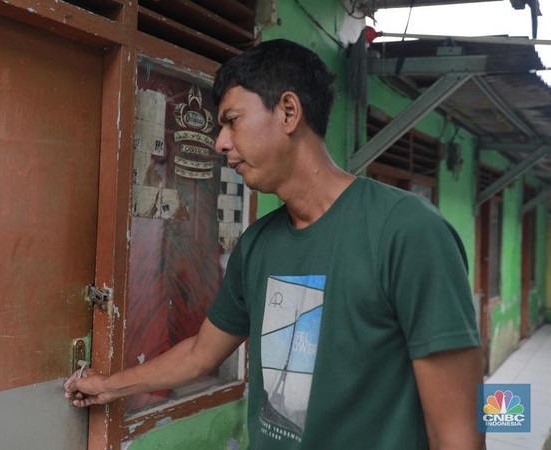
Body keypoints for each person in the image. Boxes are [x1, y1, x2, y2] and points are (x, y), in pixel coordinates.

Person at [65, 39, 483, 449]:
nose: (220, 143)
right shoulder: (257, 245)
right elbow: (200, 354)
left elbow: (457, 434)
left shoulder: (407, 232)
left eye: (232, 121)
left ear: (288, 111)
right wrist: (108, 386)